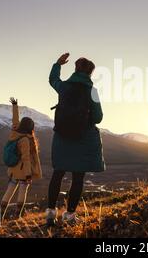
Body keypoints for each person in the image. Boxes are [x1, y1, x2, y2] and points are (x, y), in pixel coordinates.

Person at [46, 53, 105, 225]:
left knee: (58, 174)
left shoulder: (64, 87)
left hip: (62, 136)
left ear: (75, 69)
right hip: (83, 138)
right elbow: (98, 117)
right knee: (78, 177)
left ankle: (50, 213)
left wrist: (57, 64)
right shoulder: (92, 91)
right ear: (90, 73)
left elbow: (52, 80)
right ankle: (70, 215)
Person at [0, 97, 42, 219]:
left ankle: (1, 215)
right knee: (22, 192)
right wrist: (28, 175)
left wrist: (15, 106)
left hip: (13, 170)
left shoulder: (15, 133)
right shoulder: (25, 140)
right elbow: (26, 158)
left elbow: (15, 120)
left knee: (9, 191)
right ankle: (17, 215)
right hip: (23, 171)